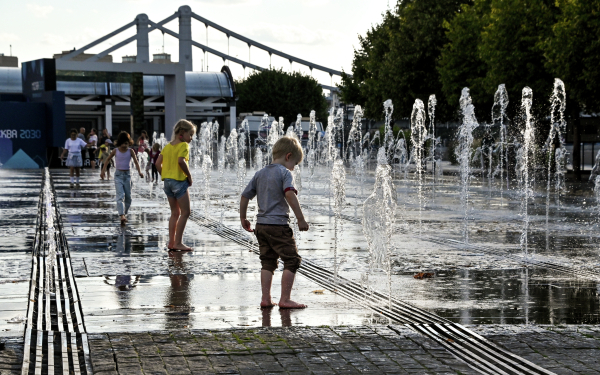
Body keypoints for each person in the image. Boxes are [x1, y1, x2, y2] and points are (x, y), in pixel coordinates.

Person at [240, 136, 309, 309]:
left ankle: (266, 298)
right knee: (292, 260)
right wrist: (300, 218)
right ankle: (285, 299)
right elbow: (289, 194)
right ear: (288, 156)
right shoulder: (285, 173)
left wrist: (243, 217)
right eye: (294, 163)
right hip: (278, 226)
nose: (293, 168)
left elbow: (245, 196)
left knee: (268, 262)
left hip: (261, 226)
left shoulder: (260, 173)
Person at [156, 120, 196, 251]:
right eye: (190, 135)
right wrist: (189, 176)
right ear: (182, 133)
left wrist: (166, 175)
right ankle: (178, 243)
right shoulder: (183, 145)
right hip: (179, 181)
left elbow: (157, 164)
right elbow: (181, 161)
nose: (191, 138)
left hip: (168, 182)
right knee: (185, 212)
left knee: (175, 212)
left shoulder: (167, 146)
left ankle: (171, 242)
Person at [101, 131, 144, 225]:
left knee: (128, 198)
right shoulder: (115, 151)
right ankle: (122, 215)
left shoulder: (130, 151)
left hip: (128, 176)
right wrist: (103, 171)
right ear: (120, 142)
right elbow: (108, 159)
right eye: (124, 143)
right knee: (120, 196)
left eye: (127, 143)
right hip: (118, 176)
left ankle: (124, 213)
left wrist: (140, 172)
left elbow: (136, 162)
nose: (125, 145)